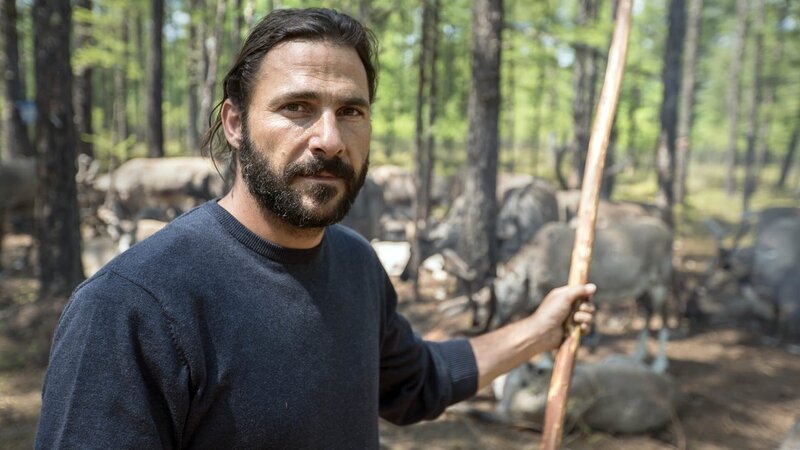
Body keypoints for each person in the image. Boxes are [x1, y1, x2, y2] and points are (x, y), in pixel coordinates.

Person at [36, 7, 595, 449]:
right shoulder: (133, 306)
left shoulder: (355, 263)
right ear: (235, 123)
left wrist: (539, 330)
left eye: (351, 111)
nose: (329, 139)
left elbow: (416, 382)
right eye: (298, 107)